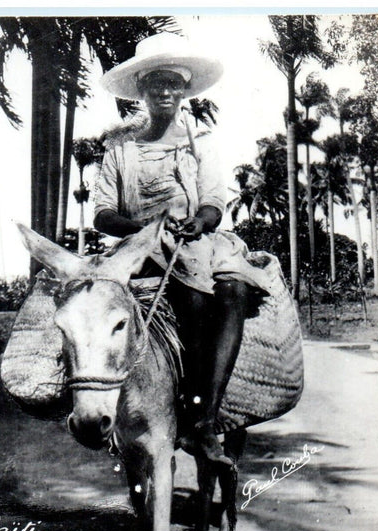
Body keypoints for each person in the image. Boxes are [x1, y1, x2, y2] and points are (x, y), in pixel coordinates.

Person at [94, 33, 272, 467]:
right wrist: (144, 229)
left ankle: (205, 420)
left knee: (232, 291)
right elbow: (102, 213)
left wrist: (201, 220)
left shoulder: (201, 141)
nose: (166, 91)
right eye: (157, 82)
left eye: (174, 83)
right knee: (172, 299)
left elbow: (214, 199)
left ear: (185, 90)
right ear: (141, 89)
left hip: (198, 242)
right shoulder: (121, 148)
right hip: (140, 247)